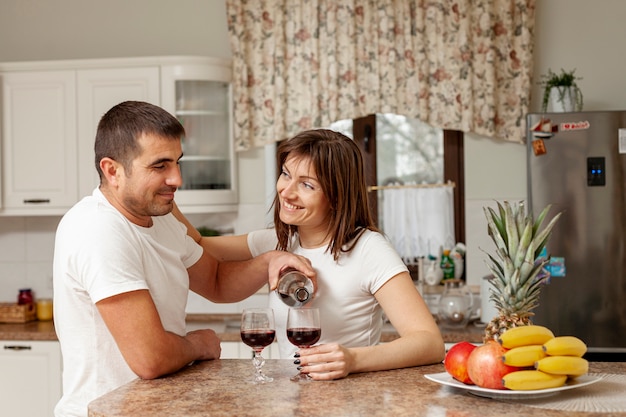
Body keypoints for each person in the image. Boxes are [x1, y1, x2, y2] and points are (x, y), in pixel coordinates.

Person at [52, 101, 314, 417]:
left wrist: (269, 261)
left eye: (177, 163)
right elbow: (151, 358)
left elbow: (216, 281)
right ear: (112, 170)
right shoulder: (98, 229)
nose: (177, 179)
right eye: (160, 166)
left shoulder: (160, 218)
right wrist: (198, 345)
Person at [179, 129, 445, 381]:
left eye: (307, 185)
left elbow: (429, 342)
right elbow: (195, 243)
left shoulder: (368, 249)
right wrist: (163, 192)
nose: (286, 191)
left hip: (351, 402)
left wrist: (353, 359)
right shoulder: (275, 242)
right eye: (286, 174)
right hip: (290, 401)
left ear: (337, 197)